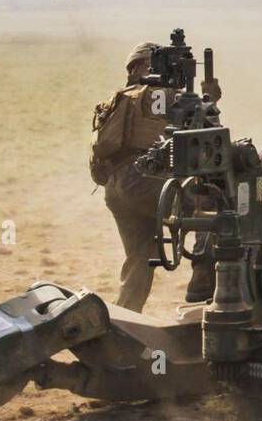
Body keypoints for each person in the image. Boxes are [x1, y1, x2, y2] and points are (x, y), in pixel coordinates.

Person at [90, 43, 217, 311]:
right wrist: (209, 100)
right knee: (218, 211)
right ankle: (202, 281)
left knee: (139, 259)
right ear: (139, 68)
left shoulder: (120, 99)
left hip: (116, 189)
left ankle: (125, 320)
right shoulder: (159, 94)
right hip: (144, 181)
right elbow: (203, 126)